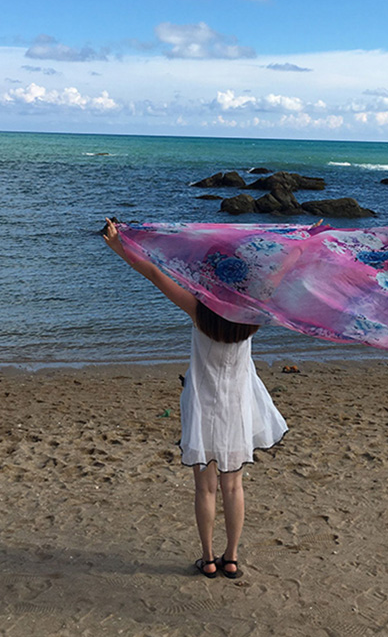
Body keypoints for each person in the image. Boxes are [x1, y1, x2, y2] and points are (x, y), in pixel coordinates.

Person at [103, 218, 287, 579]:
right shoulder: (251, 311)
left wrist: (118, 245)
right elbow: (279, 274)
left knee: (205, 488)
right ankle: (231, 558)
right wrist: (304, 243)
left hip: (203, 403)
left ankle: (208, 559)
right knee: (233, 486)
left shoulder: (199, 310)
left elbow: (154, 274)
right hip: (238, 404)